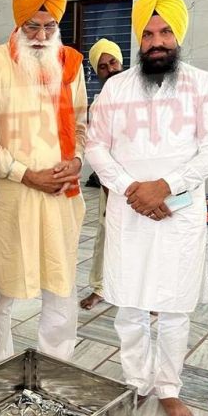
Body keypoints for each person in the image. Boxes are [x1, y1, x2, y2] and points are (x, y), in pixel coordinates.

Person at [86, 0, 208, 416]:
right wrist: (134, 190)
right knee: (129, 308)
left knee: (173, 309)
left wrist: (165, 187)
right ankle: (135, 382)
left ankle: (168, 387)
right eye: (147, 34)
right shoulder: (116, 86)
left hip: (179, 213)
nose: (156, 41)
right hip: (130, 212)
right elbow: (95, 147)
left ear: (179, 34)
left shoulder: (202, 84)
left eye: (165, 31)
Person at [0, 0, 87, 362]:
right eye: (32, 27)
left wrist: (76, 161)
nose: (40, 36)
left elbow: (83, 126)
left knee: (61, 287)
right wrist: (27, 174)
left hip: (60, 197)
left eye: (49, 27)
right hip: (13, 198)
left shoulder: (70, 63)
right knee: (2, 290)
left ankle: (58, 366)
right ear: (17, 25)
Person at [81, 38, 124, 310]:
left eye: (113, 63)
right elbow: (98, 151)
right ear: (97, 73)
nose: (109, 69)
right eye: (103, 66)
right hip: (111, 182)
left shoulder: (139, 96)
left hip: (144, 182)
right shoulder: (97, 106)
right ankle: (99, 287)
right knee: (106, 232)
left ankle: (144, 292)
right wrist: (109, 186)